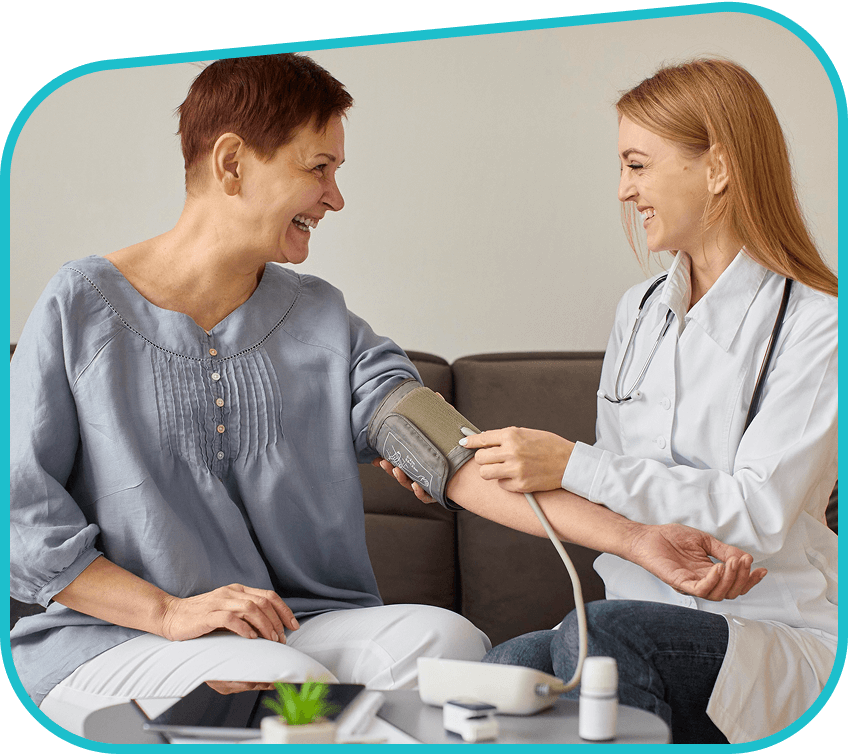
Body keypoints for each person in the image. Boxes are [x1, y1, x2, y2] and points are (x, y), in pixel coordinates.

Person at [11, 53, 764, 739]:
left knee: (448, 644)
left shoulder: (321, 320)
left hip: (293, 625)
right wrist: (170, 613)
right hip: (115, 639)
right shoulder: (80, 307)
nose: (335, 197)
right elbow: (24, 523)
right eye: (319, 168)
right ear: (232, 162)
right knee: (288, 689)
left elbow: (458, 458)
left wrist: (635, 539)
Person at [455, 59, 837, 744]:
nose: (624, 190)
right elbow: (611, 493)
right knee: (506, 669)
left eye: (637, 165)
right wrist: (461, 467)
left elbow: (759, 512)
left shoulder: (820, 324)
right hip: (630, 612)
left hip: (768, 626)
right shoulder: (639, 311)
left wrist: (573, 463)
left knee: (601, 638)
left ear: (717, 168)